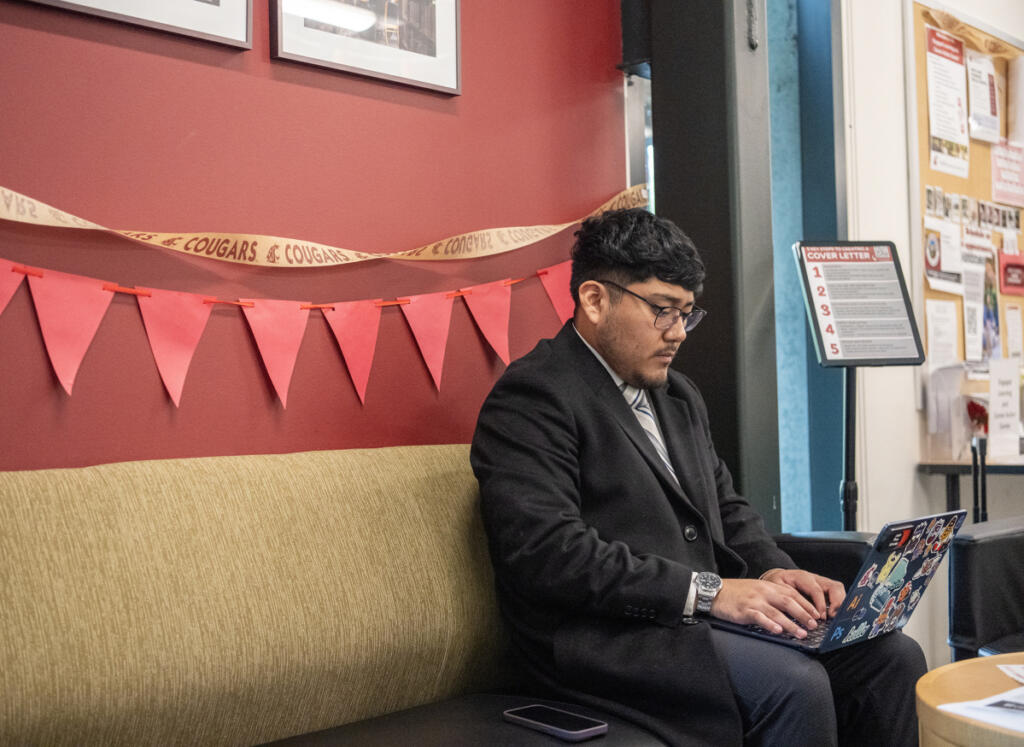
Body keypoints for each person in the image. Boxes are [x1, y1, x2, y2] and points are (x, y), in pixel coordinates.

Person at [470, 208, 926, 746]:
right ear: (594, 300)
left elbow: (728, 509)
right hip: (604, 637)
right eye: (664, 311)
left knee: (891, 656)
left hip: (693, 623)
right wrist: (708, 592)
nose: (680, 333)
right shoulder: (535, 395)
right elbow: (548, 554)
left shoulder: (678, 395)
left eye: (687, 313)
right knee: (793, 683)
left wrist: (775, 573)